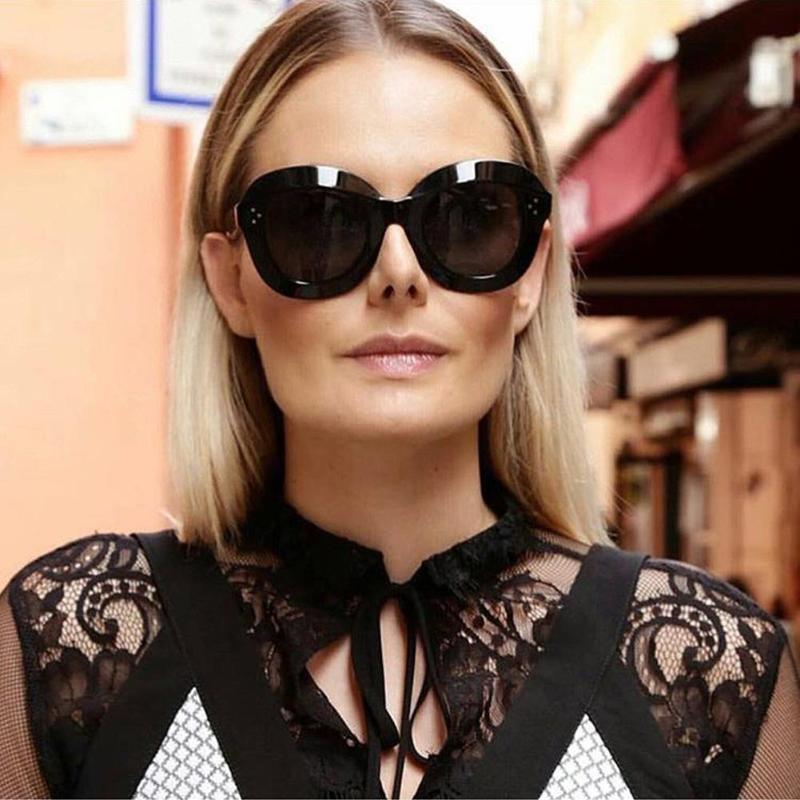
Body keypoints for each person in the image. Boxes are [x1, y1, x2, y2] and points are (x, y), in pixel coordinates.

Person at [1, 0, 799, 797]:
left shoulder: (713, 671)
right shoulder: (68, 647)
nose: (398, 274)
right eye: (320, 220)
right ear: (230, 279)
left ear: (530, 274)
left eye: (467, 217)